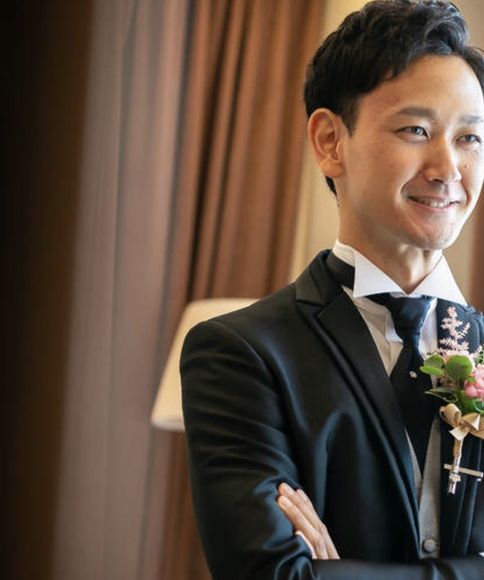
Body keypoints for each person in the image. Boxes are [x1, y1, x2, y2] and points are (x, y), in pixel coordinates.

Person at [180, 1, 484, 578]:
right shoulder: (241, 354)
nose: (448, 167)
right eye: (416, 130)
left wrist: (339, 572)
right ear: (329, 141)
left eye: (470, 137)